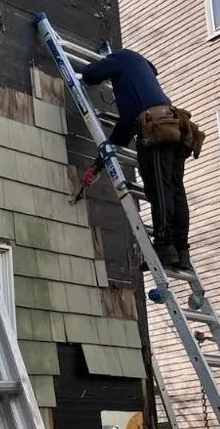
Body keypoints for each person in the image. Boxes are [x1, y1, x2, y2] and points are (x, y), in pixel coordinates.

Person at [81, 48, 204, 271]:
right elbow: (124, 131)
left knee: (160, 189)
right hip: (177, 128)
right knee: (176, 190)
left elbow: (90, 74)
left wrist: (102, 66)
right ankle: (181, 251)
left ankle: (164, 248)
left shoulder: (120, 58)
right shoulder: (144, 76)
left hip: (156, 129)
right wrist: (98, 165)